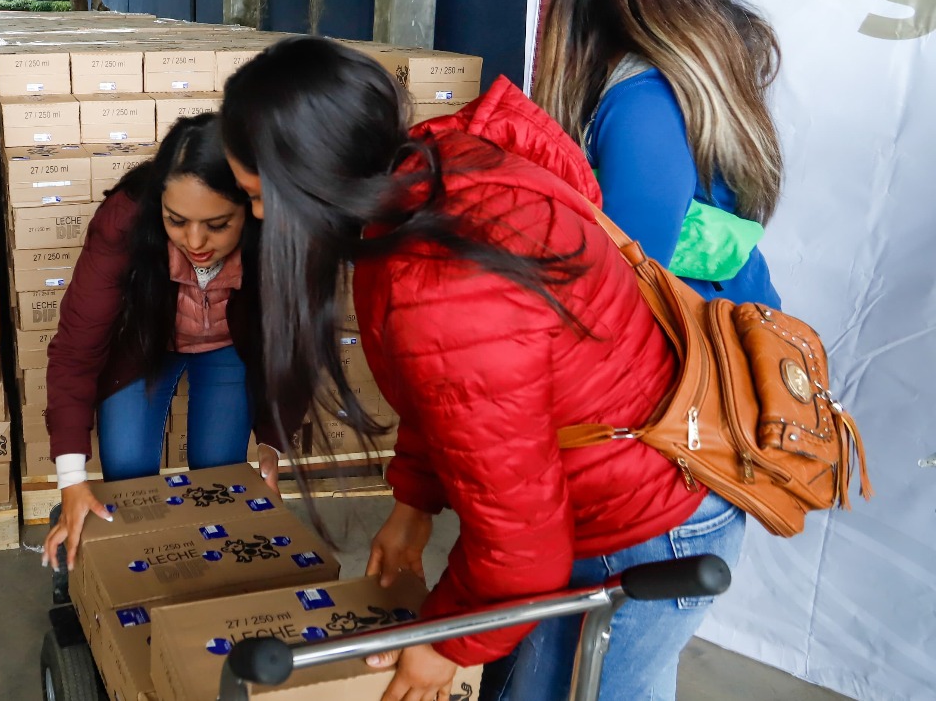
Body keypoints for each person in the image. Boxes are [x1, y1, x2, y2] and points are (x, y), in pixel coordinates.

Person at [220, 36, 745, 701]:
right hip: (612, 480)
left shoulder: (444, 282)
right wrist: (414, 499)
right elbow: (452, 390)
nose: (258, 216)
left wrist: (444, 642)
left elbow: (523, 545)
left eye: (258, 194)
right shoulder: (427, 180)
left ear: (312, 177)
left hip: (646, 526)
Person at [43, 114, 297, 573]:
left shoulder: (279, 233)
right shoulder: (122, 223)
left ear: (253, 208)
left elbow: (288, 344)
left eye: (218, 225)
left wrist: (272, 446)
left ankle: (206, 570)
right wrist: (71, 479)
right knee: (126, 477)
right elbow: (75, 354)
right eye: (176, 222)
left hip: (226, 349)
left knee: (220, 474)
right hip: (144, 345)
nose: (196, 241)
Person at [534, 0, 783, 309]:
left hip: (687, 351)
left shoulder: (645, 104)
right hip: (720, 332)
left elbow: (623, 280)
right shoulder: (669, 79)